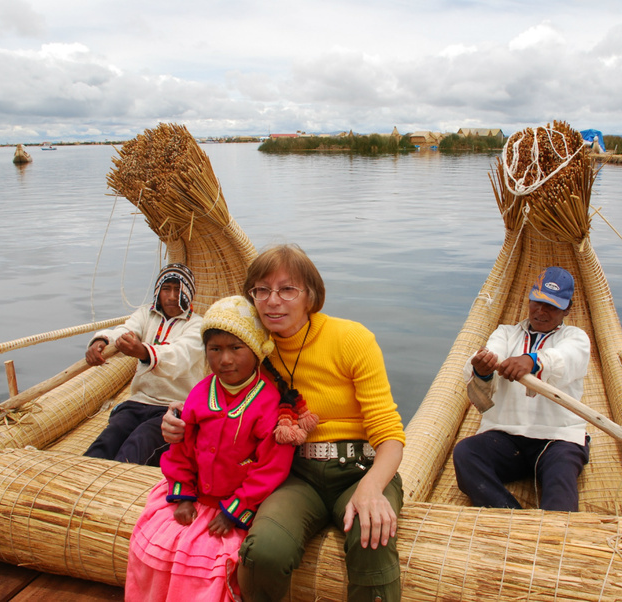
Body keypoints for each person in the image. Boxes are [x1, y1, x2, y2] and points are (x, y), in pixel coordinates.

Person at [163, 243, 406, 602]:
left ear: (311, 295)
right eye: (262, 290)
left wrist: (371, 488)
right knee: (264, 551)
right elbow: (214, 398)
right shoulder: (252, 348)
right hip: (294, 475)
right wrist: (175, 418)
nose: (273, 300)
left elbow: (389, 432)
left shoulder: (352, 339)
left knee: (371, 536)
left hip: (358, 466)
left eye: (287, 289)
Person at [125, 295, 295, 601]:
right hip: (195, 497)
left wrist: (233, 511)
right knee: (154, 546)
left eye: (235, 348)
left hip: (238, 505)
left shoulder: (268, 402)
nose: (225, 360)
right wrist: (184, 495)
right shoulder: (201, 393)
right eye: (215, 349)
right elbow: (182, 449)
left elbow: (271, 466)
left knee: (210, 566)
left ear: (256, 352)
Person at [453, 266, 591, 512]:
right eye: (537, 302)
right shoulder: (506, 333)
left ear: (567, 309)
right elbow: (492, 354)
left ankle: (553, 528)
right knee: (466, 453)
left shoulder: (576, 338)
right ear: (529, 300)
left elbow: (565, 359)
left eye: (551, 306)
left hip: (557, 439)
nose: (541, 311)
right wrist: (483, 368)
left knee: (561, 492)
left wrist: (533, 361)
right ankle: (510, 515)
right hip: (507, 437)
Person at [84, 263, 204, 466]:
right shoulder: (145, 315)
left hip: (172, 406)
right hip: (138, 402)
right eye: (167, 289)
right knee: (107, 440)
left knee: (138, 445)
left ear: (189, 293)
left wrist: (142, 351)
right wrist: (102, 341)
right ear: (158, 292)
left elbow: (179, 356)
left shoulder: (198, 325)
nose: (173, 296)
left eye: (179, 289)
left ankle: (113, 492)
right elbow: (124, 330)